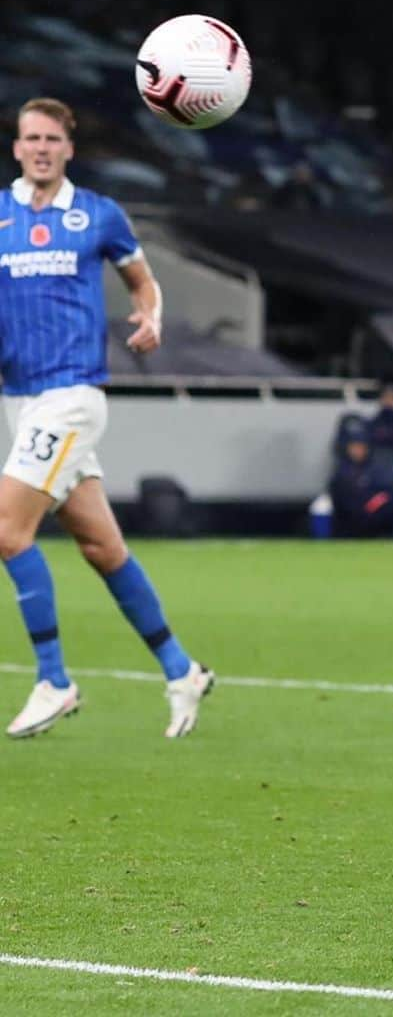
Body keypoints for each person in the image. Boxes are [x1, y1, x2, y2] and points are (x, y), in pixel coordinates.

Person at [0, 98, 214, 739]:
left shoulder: (97, 214)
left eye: (51, 139)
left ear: (69, 148)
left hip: (72, 396)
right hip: (19, 401)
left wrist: (150, 315)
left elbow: (143, 282)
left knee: (8, 531)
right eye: (29, 138)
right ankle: (182, 670)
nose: (39, 147)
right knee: (101, 546)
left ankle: (53, 680)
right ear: (16, 148)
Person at [329, 417, 393, 539]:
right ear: (348, 448)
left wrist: (378, 500)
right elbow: (344, 500)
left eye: (361, 447)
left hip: (377, 511)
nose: (358, 451)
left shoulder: (374, 467)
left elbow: (388, 489)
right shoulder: (342, 471)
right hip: (355, 517)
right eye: (354, 447)